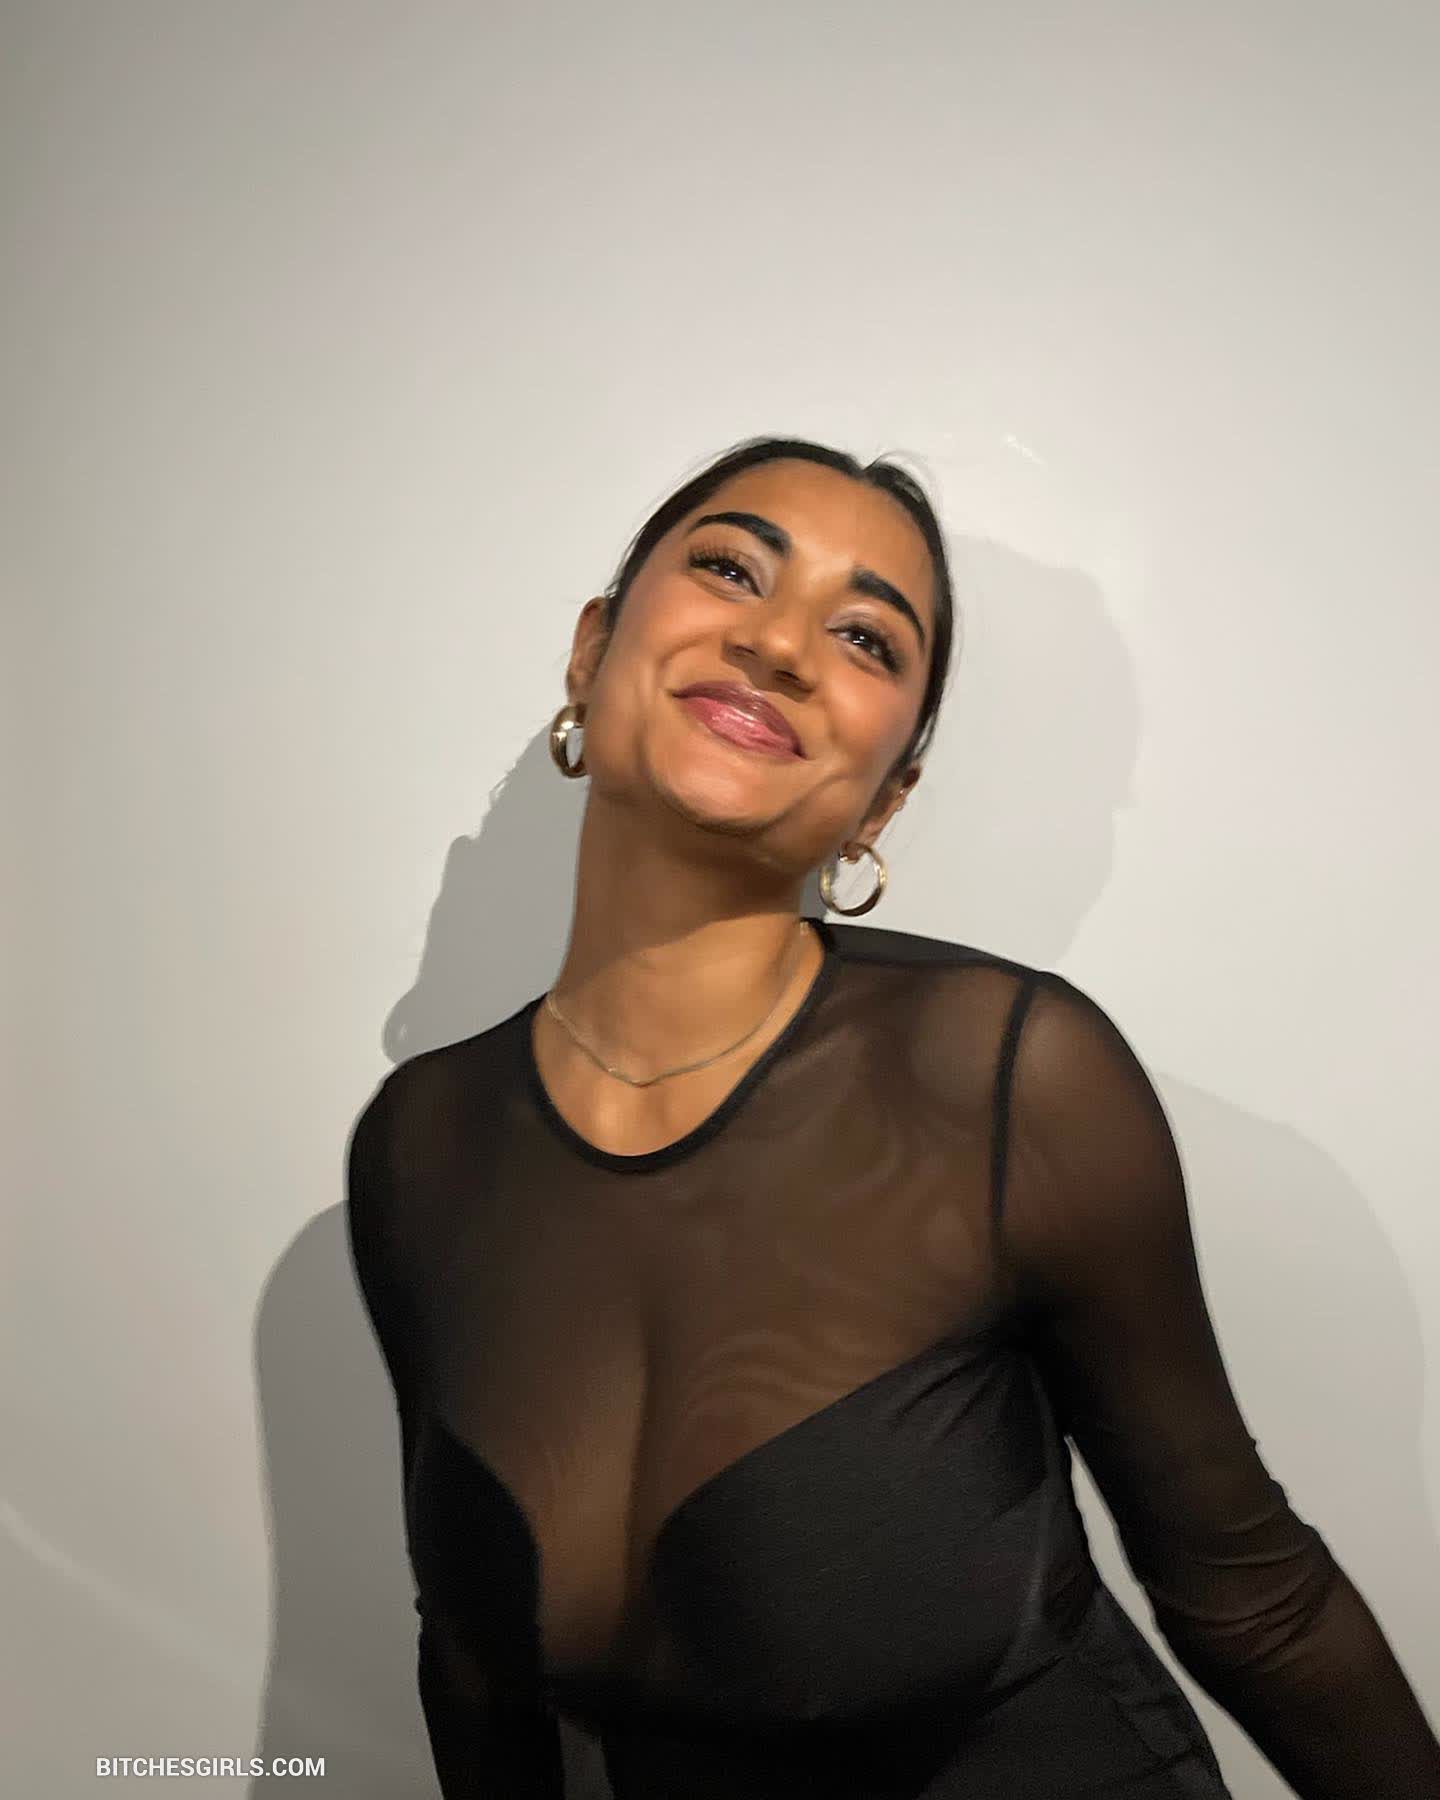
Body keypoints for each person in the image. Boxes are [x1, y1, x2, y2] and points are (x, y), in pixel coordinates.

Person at [345, 435, 1440, 1799]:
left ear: (888, 799)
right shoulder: (420, 1146)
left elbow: (1257, 1599)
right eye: (730, 569)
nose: (778, 644)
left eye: (865, 638)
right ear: (591, 651)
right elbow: (476, 1669)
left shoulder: (1004, 1078)